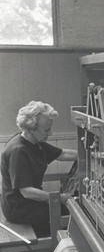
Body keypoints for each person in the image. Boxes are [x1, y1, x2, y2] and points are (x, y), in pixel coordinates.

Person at [1, 101, 78, 237]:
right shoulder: (18, 151)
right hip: (19, 208)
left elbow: (63, 154)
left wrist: (93, 155)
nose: (51, 133)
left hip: (26, 203)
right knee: (67, 213)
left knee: (65, 210)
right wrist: (60, 198)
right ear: (31, 128)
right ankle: (60, 250)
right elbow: (27, 192)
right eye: (47, 130)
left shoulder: (35, 143)